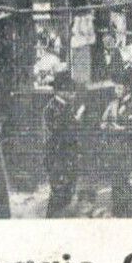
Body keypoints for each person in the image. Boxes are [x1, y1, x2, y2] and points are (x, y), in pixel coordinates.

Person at [42, 74, 86, 218]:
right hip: (58, 159)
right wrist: (77, 120)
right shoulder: (53, 108)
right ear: (60, 91)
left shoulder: (65, 106)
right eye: (70, 91)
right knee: (59, 194)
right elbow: (59, 133)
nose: (73, 94)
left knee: (67, 193)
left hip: (67, 157)